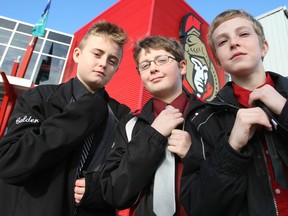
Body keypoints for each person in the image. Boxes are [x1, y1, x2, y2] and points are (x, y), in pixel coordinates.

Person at [0, 21, 130, 216]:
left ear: (116, 69)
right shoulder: (39, 98)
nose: (103, 63)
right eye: (97, 54)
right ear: (77, 55)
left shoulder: (121, 115)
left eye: (112, 61)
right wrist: (88, 110)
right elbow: (11, 160)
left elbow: (125, 177)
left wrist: (97, 189)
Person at [180, 9, 288, 216]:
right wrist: (231, 149)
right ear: (219, 62)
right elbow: (199, 207)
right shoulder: (203, 121)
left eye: (244, 34)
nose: (233, 43)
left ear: (264, 46)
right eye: (222, 42)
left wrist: (284, 110)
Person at [101, 35, 204, 216]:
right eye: (145, 65)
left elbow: (232, 180)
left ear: (182, 66)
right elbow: (115, 193)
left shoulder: (210, 116)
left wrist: (193, 155)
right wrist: (153, 135)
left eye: (162, 60)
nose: (153, 69)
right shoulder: (130, 124)